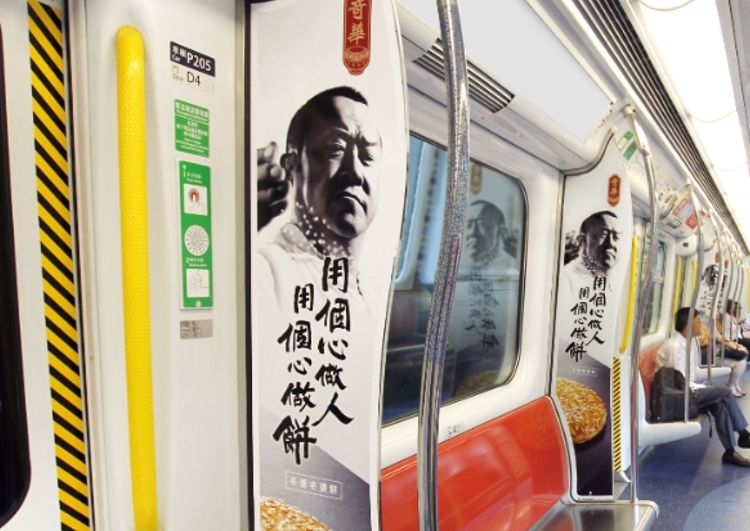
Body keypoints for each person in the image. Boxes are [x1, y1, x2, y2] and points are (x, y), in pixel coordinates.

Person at [256, 85, 382, 305]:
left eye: (368, 155)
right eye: (335, 148)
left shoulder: (374, 296)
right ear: (291, 165)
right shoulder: (265, 273)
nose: (355, 172)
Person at [656, 307, 750, 466]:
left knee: (720, 404)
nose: (702, 325)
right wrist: (705, 389)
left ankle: (730, 452)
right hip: (677, 397)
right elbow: (679, 383)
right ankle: (744, 434)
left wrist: (705, 388)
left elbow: (691, 375)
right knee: (724, 391)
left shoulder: (691, 342)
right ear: (687, 324)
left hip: (687, 390)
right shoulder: (674, 347)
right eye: (698, 321)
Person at [459, 199, 517, 277]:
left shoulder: (510, 269)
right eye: (468, 225)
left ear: (500, 232)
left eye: (481, 224)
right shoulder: (456, 266)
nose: (472, 233)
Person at [564, 210, 621, 278]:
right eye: (603, 234)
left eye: (616, 236)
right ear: (582, 240)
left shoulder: (619, 279)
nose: (611, 244)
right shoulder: (567, 277)